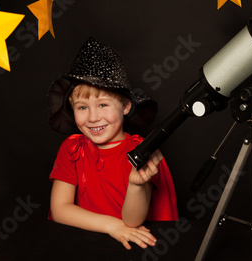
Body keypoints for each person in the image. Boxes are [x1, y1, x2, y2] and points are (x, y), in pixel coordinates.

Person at [47, 38, 178, 250]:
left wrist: (136, 185)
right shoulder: (72, 148)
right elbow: (60, 209)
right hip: (84, 242)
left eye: (103, 105)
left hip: (130, 246)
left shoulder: (140, 151)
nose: (92, 117)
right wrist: (111, 226)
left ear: (125, 107)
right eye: (82, 108)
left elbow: (132, 223)